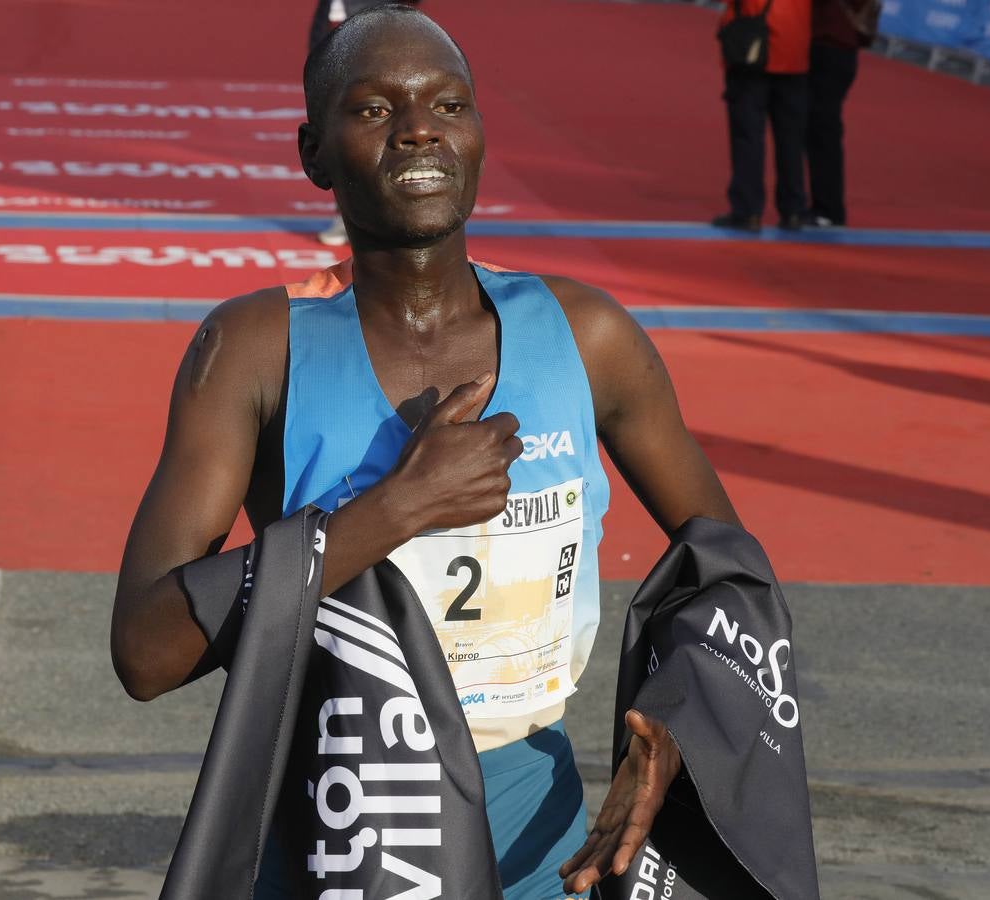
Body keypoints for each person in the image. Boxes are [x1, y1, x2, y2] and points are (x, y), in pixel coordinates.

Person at [112, 6, 741, 897]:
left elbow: (726, 568)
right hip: (339, 818)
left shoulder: (585, 334)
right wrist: (390, 511)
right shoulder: (254, 349)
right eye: (374, 110)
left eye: (448, 105)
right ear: (312, 152)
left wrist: (677, 724)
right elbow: (145, 650)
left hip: (538, 832)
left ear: (479, 132)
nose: (418, 130)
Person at [308, 0, 421, 247]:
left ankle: (399, 216)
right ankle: (348, 217)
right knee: (342, 143)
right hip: (332, 53)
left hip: (379, 58)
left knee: (382, 142)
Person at [712, 0, 812, 233]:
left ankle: (748, 210)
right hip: (794, 52)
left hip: (755, 50)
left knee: (748, 135)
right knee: (791, 139)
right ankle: (794, 209)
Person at [805, 0, 874, 228]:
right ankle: (822, 205)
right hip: (832, 45)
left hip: (831, 46)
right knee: (814, 130)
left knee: (823, 130)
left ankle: (828, 209)